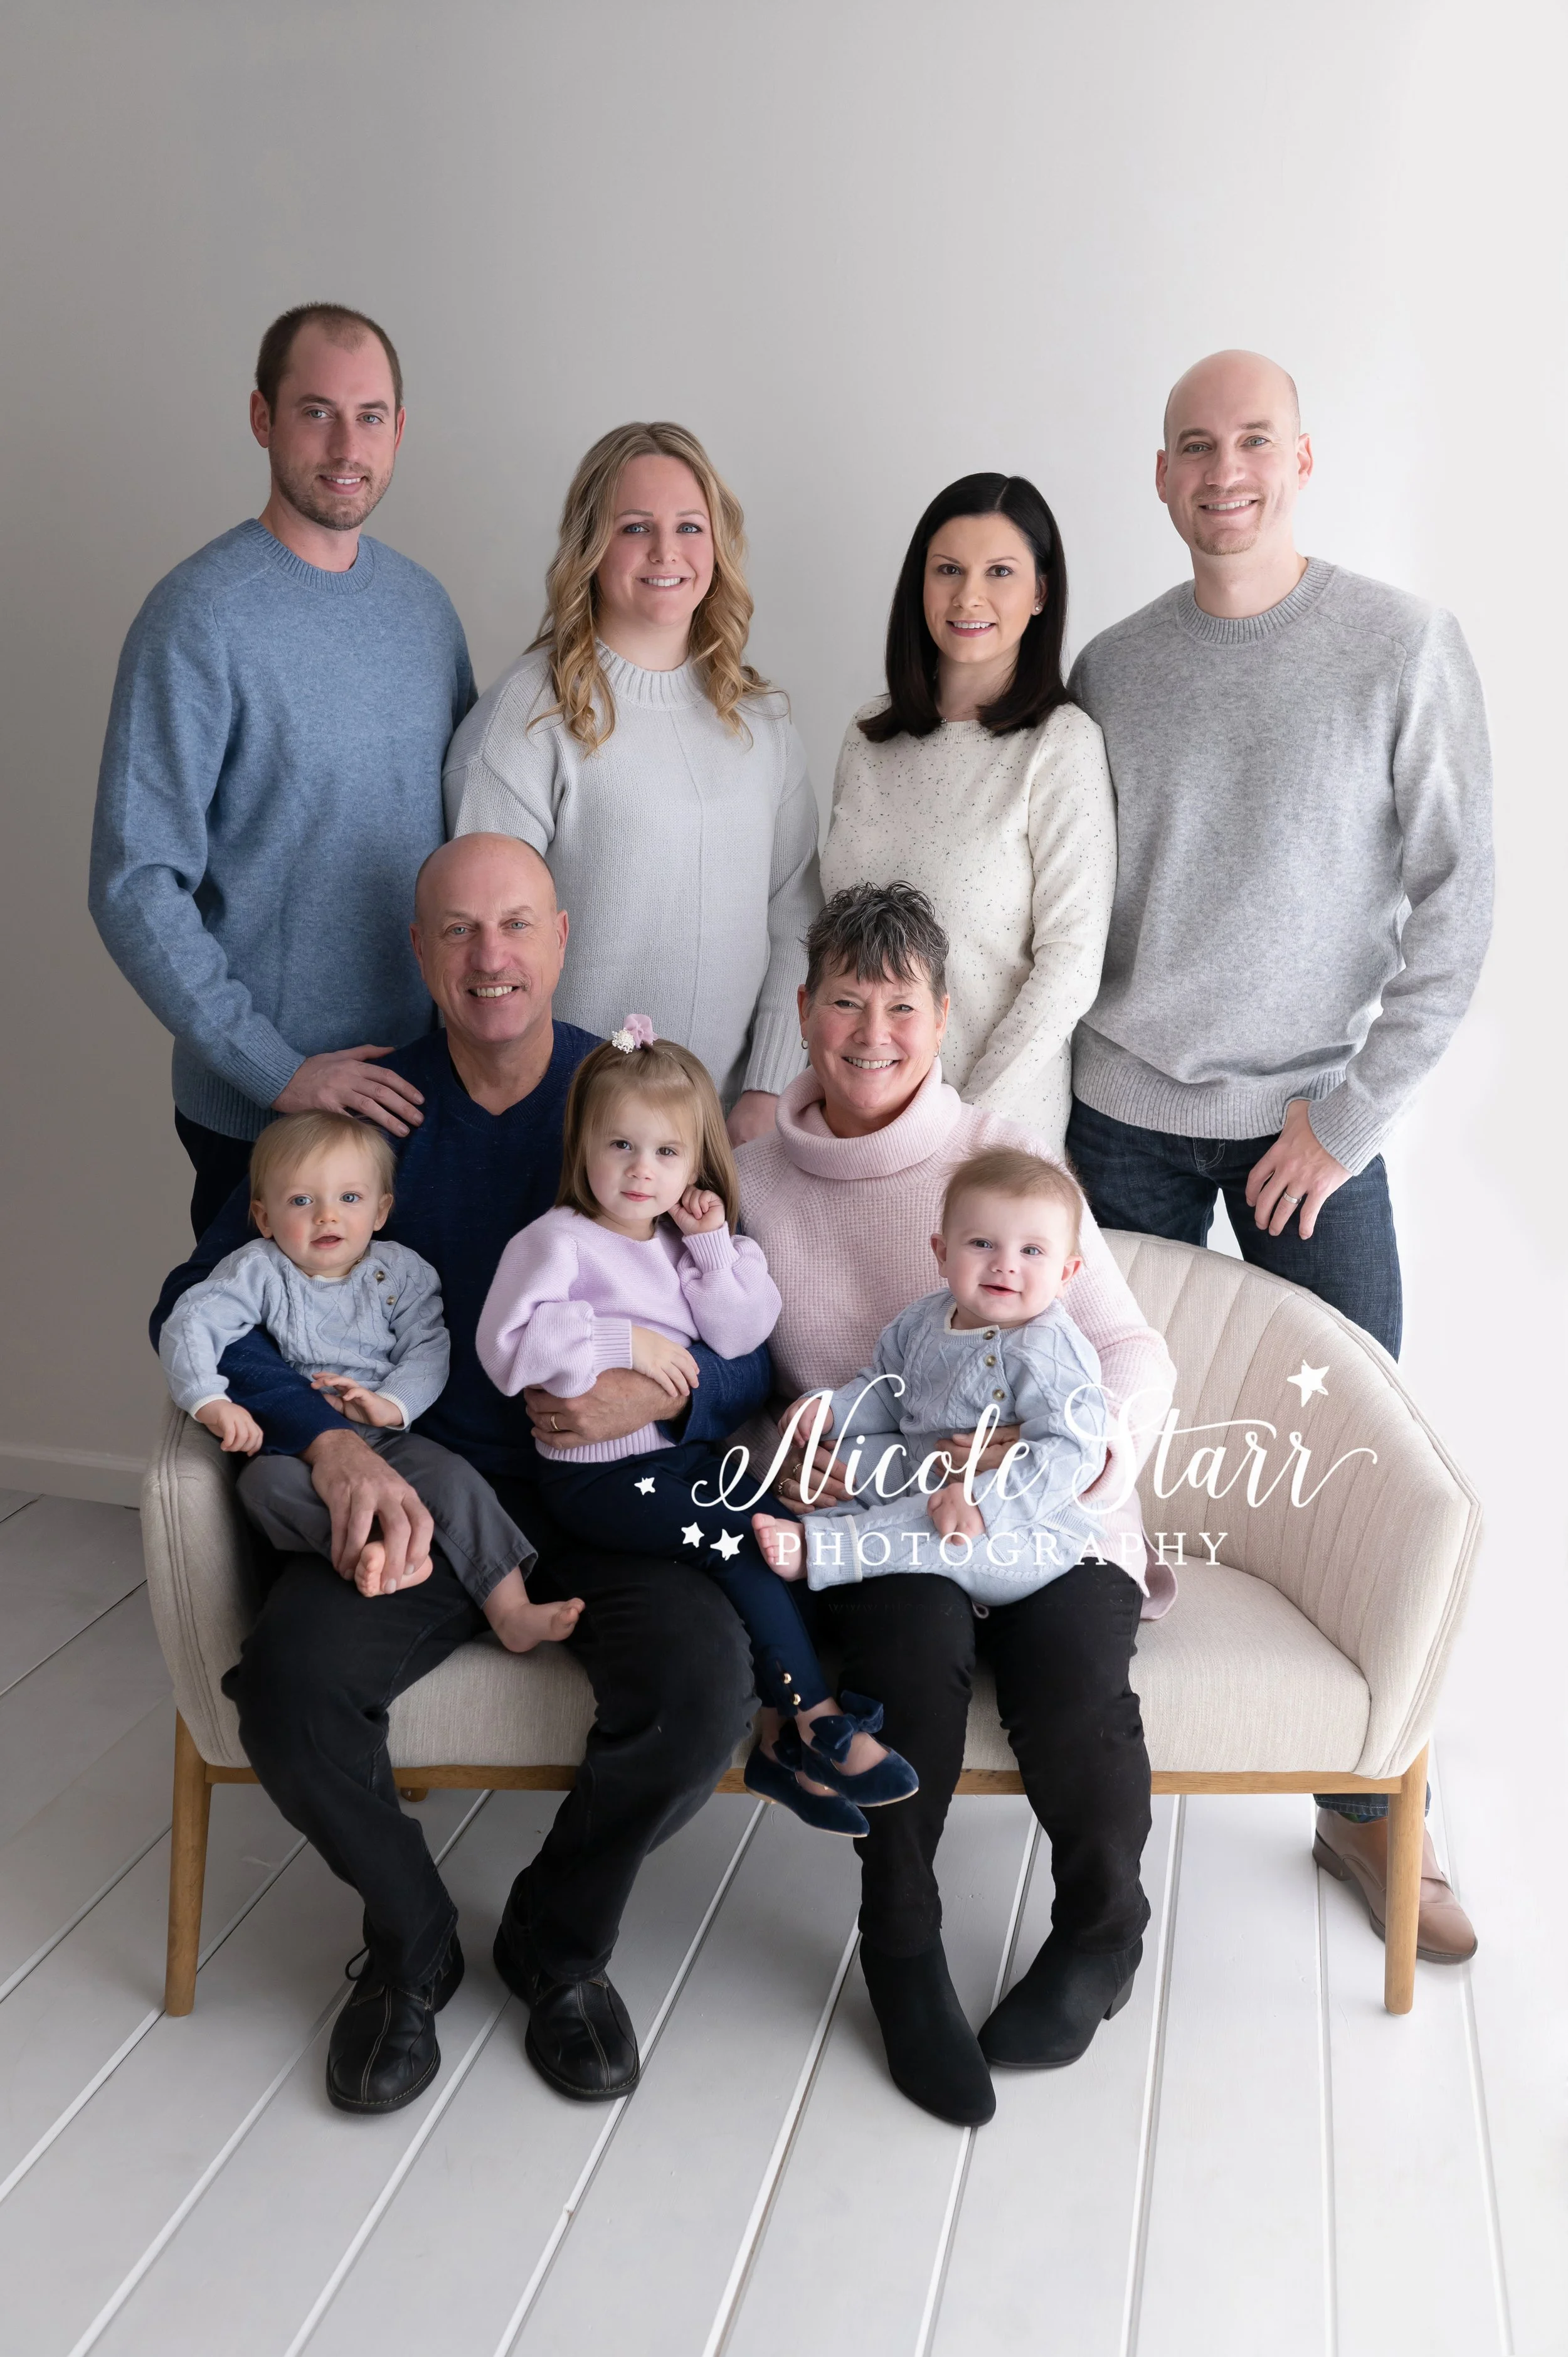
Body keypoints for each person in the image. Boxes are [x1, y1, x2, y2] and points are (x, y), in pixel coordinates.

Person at [152, 833, 771, 2116]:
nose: (490, 958)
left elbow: (749, 1338)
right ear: (421, 953)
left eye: (515, 926)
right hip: (421, 1494)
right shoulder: (363, 1104)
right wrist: (321, 1438)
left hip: (611, 1495)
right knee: (290, 1686)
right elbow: (200, 1300)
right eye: (456, 932)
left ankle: (557, 1941)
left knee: (708, 1686)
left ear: (557, 937)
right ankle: (410, 1941)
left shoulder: (634, 1100)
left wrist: (668, 1386)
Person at [1066, 348, 1489, 1962]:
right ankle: (1084, 1779)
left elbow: (1461, 907)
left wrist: (1343, 1119)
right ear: (1160, 475)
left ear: (1300, 460)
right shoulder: (1112, 667)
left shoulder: (1396, 646)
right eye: (1193, 445)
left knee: (1364, 1476)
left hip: (1309, 1131)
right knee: (1094, 1464)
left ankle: (1378, 1814)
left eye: (1252, 440)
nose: (1223, 469)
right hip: (1122, 1121)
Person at [735, 883, 1176, 2127]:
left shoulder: (1003, 1155)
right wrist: (790, 1451)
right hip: (890, 1511)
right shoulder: (753, 1177)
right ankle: (902, 1946)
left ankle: (1101, 1935)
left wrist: (1059, 1482)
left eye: (900, 1004)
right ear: (806, 1010)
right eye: (843, 1000)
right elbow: (741, 1384)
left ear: (940, 1019)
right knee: (910, 1654)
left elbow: (1131, 1355)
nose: (870, 1031)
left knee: (1074, 1688)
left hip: (1047, 1507)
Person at [91, 302, 475, 1238]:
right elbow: (136, 883)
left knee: (405, 1379)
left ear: (400, 430)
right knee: (249, 1379)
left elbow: (466, 838)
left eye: (371, 415)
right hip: (264, 1124)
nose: (347, 444)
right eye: (316, 412)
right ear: (262, 419)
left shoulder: (423, 611)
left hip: (417, 1104)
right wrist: (280, 1071)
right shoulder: (198, 617)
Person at [476, 1024, 918, 1836]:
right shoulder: (556, 1243)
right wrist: (624, 1344)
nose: (643, 1171)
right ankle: (817, 1718)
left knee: (788, 1524)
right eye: (621, 1146)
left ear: (694, 1162)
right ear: (584, 1146)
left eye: (666, 1153)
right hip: (596, 1480)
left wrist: (713, 1245)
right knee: (743, 1538)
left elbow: (746, 1330)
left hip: (683, 1458)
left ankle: (780, 1747)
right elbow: (505, 1349)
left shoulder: (685, 1246)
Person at [443, 421, 820, 1144]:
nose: (666, 552)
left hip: (724, 1131)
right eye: (635, 527)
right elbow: (482, 954)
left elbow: (794, 915)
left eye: (689, 526)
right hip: (565, 1132)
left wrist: (768, 1087)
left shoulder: (760, 720)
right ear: (590, 543)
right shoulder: (528, 718)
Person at [158, 1109, 582, 1656]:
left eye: (350, 1199)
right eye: (301, 1201)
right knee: (261, 1489)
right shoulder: (258, 1270)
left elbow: (428, 1347)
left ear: (382, 1210)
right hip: (298, 1447)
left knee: (455, 1481)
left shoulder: (402, 1272)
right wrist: (210, 1400)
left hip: (391, 1437)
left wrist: (391, 1405)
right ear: (263, 1217)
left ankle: (512, 1609)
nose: (326, 1216)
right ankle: (376, 1550)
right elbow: (191, 1321)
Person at [820, 473, 1114, 1153]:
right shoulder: (868, 737)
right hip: (856, 1120)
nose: (968, 596)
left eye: (1000, 572)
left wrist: (961, 1120)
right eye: (947, 570)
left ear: (1040, 591)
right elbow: (831, 936)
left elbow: (1068, 969)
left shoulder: (1059, 746)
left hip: (989, 1138)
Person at [753, 1148, 1108, 1599]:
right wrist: (830, 1411)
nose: (1005, 1263)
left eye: (1032, 1250)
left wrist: (984, 1501)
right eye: (982, 1243)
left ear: (1066, 1273)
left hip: (1016, 1528)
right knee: (847, 1455)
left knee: (936, 1522)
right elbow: (887, 1392)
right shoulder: (924, 1319)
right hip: (922, 1468)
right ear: (941, 1253)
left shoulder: (1048, 1349)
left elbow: (1073, 1450)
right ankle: (822, 1525)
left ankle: (823, 1550)